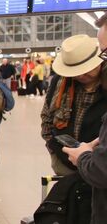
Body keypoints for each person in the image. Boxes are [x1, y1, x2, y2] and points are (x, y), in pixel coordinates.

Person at [62, 13, 107, 224]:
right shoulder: (61, 87)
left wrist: (84, 157)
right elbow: (49, 122)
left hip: (92, 171)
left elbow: (102, 170)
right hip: (76, 166)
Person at [41, 34, 107, 176]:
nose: (81, 75)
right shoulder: (60, 83)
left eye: (85, 69)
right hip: (64, 165)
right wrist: (53, 148)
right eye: (75, 71)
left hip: (101, 168)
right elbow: (46, 117)